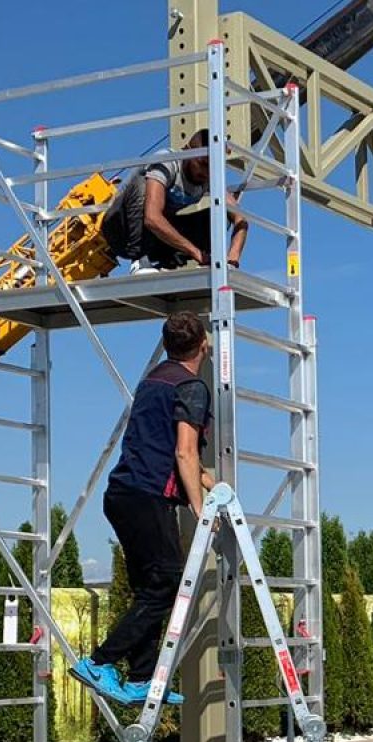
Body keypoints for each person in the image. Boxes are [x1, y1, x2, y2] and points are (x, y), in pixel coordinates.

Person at [73, 313, 214, 704]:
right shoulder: (191, 387)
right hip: (145, 497)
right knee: (168, 582)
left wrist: (206, 481)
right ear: (204, 343)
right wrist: (201, 511)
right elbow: (183, 451)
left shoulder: (154, 379)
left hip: (124, 494)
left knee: (149, 590)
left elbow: (162, 446)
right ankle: (100, 662)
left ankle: (140, 678)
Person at [101, 130, 248, 273]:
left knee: (220, 214)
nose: (206, 172)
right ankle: (139, 260)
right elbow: (152, 218)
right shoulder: (167, 162)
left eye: (213, 166)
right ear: (187, 151)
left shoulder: (210, 178)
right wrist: (196, 253)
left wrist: (232, 260)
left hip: (154, 239)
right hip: (120, 230)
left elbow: (240, 218)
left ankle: (168, 262)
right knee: (143, 182)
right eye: (202, 163)